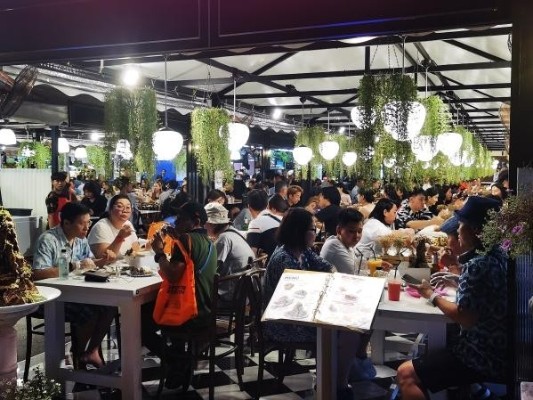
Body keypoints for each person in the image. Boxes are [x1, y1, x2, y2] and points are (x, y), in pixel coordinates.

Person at [396, 196, 506, 399]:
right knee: (437, 343)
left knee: (405, 374)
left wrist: (430, 294)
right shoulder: (500, 254)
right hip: (502, 347)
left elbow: (465, 318)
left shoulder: (477, 265)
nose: (457, 231)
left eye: (461, 226)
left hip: (483, 355)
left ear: (475, 231)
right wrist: (457, 278)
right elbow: (484, 295)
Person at [264, 208, 361, 397]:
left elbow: (327, 266)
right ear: (299, 231)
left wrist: (330, 275)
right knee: (348, 332)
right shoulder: (284, 258)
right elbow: (299, 297)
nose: (315, 234)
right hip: (283, 322)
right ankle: (336, 384)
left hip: (299, 313)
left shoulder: (302, 251)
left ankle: (335, 377)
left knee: (351, 328)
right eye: (312, 230)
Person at [142, 202, 217, 388]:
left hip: (189, 313)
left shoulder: (185, 239)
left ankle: (177, 361)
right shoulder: (209, 241)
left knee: (140, 324)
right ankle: (179, 364)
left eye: (181, 219)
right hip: (206, 310)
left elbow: (173, 275)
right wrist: (177, 238)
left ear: (195, 220)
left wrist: (159, 253)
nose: (176, 222)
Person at [32, 203, 116, 369]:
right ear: (66, 223)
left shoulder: (81, 240)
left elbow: (89, 263)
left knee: (110, 306)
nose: (86, 227)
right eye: (82, 223)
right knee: (90, 311)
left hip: (75, 293)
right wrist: (73, 266)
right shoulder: (48, 240)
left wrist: (103, 261)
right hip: (49, 297)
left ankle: (91, 351)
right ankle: (78, 356)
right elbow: (38, 273)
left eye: (88, 223)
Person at [204, 202, 254, 303]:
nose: (204, 227)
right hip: (244, 292)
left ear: (212, 224)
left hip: (230, 294)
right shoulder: (234, 232)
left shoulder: (224, 238)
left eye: (205, 223)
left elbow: (212, 269)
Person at [320, 208, 364, 274]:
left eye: (359, 231)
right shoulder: (334, 246)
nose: (356, 236)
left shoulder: (346, 245)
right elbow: (353, 274)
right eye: (351, 231)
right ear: (339, 230)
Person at [247, 193, 288, 258]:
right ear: (268, 205)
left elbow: (251, 255)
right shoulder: (280, 218)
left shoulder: (255, 223)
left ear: (249, 207)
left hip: (272, 262)